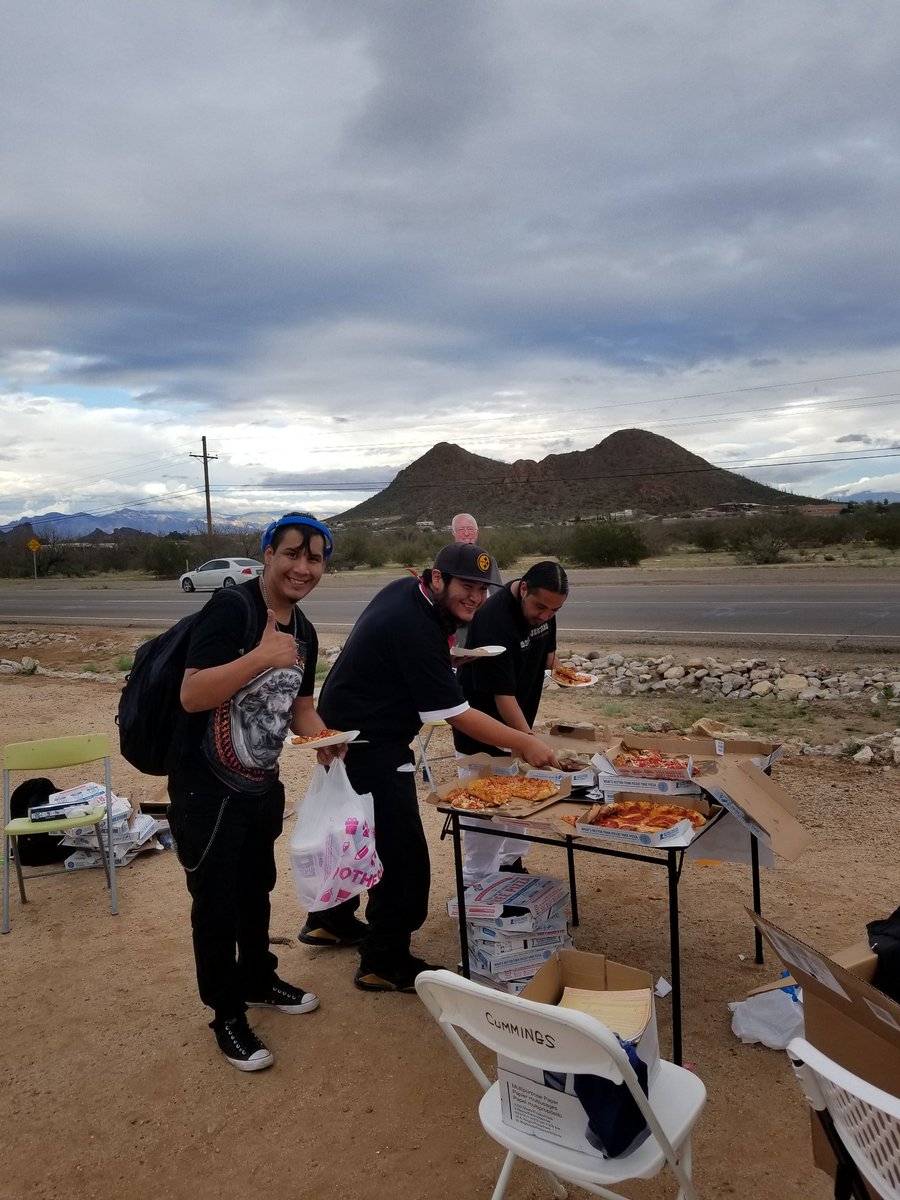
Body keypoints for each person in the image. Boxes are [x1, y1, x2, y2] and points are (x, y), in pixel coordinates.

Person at [308, 543, 559, 994]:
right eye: (467, 586)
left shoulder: (408, 592)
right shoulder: (414, 624)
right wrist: (525, 742)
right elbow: (459, 714)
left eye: (483, 590)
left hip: (346, 726)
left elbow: (399, 657)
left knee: (356, 835)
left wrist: (446, 660)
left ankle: (329, 922)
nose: (476, 598)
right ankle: (383, 961)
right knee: (403, 860)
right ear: (438, 578)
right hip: (369, 741)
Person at [167, 512, 341, 1073]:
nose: (302, 567)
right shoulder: (233, 610)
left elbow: (300, 705)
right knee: (214, 905)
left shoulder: (305, 630)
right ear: (267, 554)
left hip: (258, 786)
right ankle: (226, 1013)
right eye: (292, 553)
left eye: (314, 558)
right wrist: (260, 657)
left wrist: (324, 738)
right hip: (207, 791)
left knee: (255, 889)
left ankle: (259, 977)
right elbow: (193, 693)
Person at [453, 561, 569, 881]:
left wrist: (566, 673)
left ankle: (511, 864)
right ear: (523, 590)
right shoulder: (494, 619)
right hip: (482, 726)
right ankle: (477, 881)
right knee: (486, 810)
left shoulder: (546, 608)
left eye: (554, 610)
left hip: (521, 724)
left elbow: (548, 657)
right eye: (540, 607)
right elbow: (501, 698)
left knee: (519, 801)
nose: (545, 615)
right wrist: (529, 740)